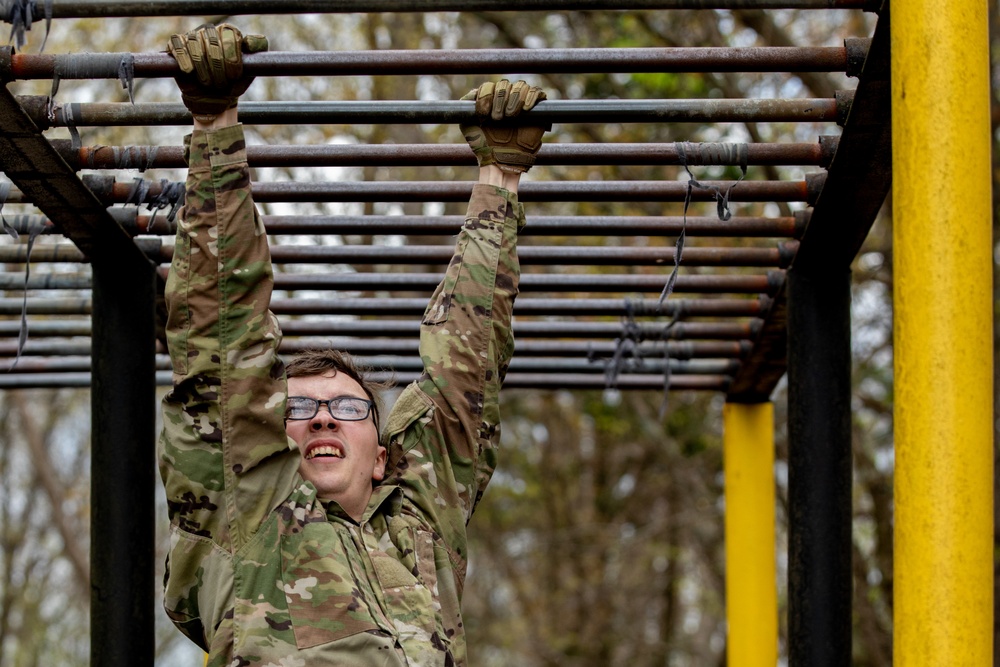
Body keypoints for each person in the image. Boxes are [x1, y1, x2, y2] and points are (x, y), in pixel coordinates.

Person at [157, 24, 548, 667]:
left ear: (381, 458)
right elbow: (221, 345)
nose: (317, 418)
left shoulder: (422, 526)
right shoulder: (251, 510)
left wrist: (498, 181)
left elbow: (465, 370)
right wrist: (215, 126)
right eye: (297, 410)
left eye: (346, 408)